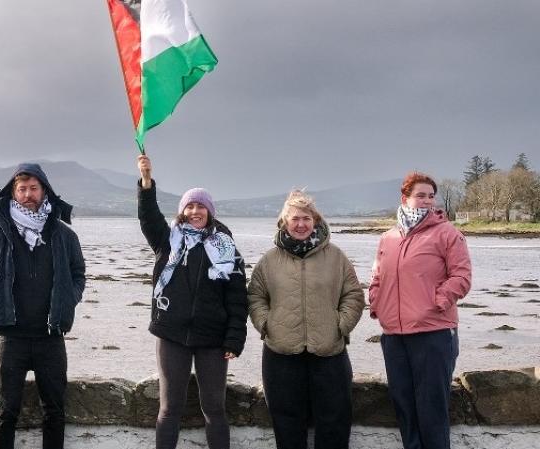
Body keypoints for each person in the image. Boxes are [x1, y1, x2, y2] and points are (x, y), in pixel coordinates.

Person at [0, 163, 86, 449]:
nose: (28, 194)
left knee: (54, 412)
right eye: (22, 189)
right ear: (13, 193)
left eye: (33, 188)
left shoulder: (65, 235)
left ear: (44, 192)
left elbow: (78, 274)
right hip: (8, 337)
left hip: (51, 338)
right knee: (5, 412)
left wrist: (68, 300)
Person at [136, 155, 248, 449]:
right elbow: (148, 216)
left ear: (210, 212)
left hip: (213, 339)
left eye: (201, 206)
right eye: (190, 205)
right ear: (182, 211)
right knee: (169, 409)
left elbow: (237, 299)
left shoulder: (228, 248)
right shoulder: (167, 240)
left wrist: (234, 339)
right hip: (172, 335)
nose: (195, 210)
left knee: (214, 409)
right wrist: (146, 181)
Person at [247, 190, 365, 449]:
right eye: (295, 219)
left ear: (316, 220)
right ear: (284, 222)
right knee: (287, 423)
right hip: (281, 354)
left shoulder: (336, 257)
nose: (300, 224)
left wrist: (340, 325)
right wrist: (267, 325)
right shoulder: (269, 261)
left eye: (306, 218)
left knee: (334, 422)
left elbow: (354, 295)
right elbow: (256, 296)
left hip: (329, 352)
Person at [368, 172, 471, 449]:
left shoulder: (448, 234)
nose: (427, 201)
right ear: (405, 198)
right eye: (420, 195)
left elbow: (461, 277)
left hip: (433, 334)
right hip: (394, 337)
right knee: (404, 407)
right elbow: (377, 278)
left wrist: (436, 302)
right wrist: (377, 302)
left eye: (430, 196)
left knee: (432, 410)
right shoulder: (388, 238)